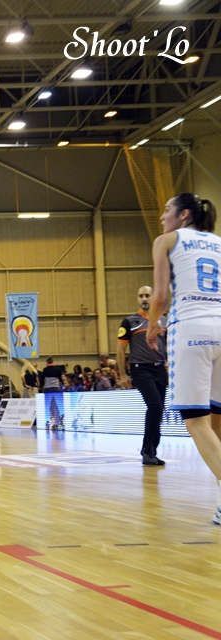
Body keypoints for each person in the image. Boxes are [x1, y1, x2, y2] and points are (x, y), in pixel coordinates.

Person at [146, 193, 221, 524]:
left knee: (196, 421)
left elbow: (160, 296)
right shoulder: (219, 243)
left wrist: (152, 326)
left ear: (184, 214)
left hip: (191, 327)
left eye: (167, 211)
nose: (162, 217)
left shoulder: (166, 241)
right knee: (216, 422)